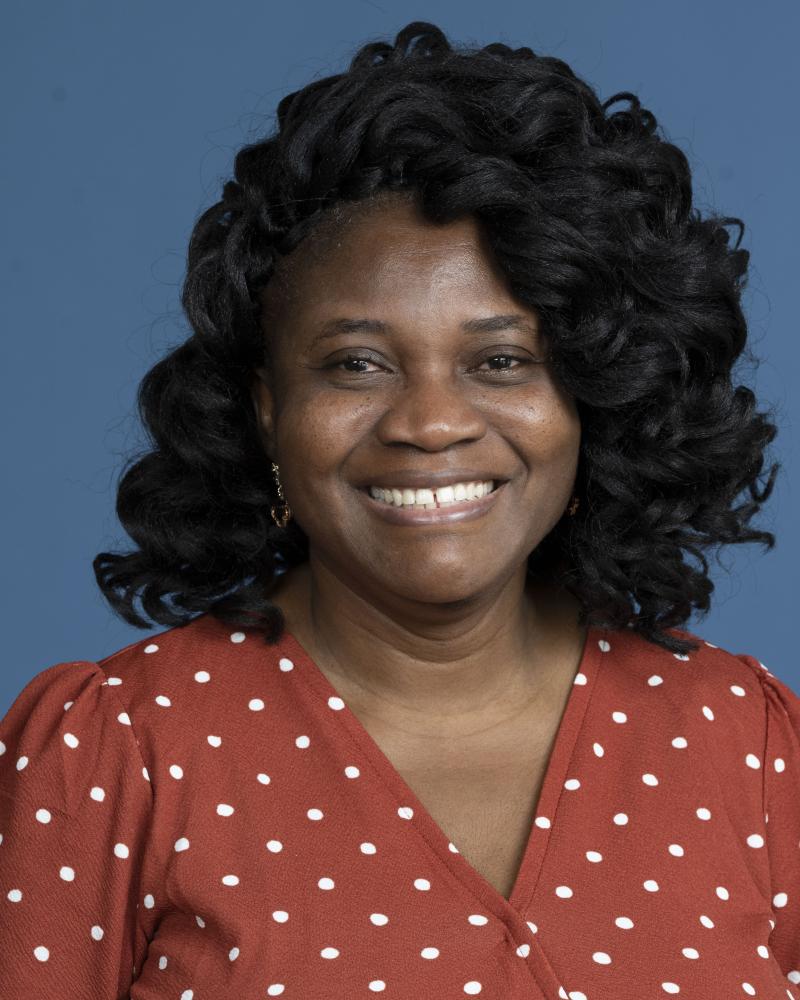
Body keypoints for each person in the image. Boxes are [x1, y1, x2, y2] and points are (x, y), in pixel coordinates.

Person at [1, 19, 797, 1000]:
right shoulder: (115, 748)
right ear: (267, 409)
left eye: (499, 360)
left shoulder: (744, 742)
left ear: (593, 395)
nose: (427, 423)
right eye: (356, 364)